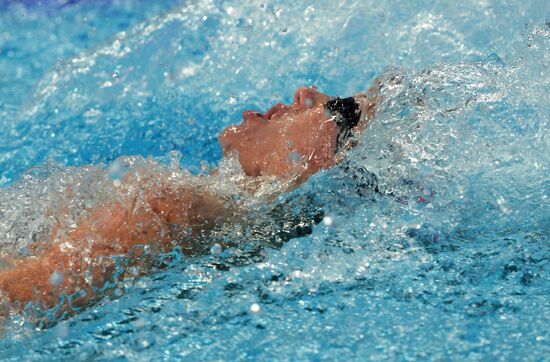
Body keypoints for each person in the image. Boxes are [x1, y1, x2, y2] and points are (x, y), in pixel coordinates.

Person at [0, 84, 379, 322]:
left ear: (318, 162)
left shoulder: (174, 206)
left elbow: (22, 298)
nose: (306, 93)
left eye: (340, 108)